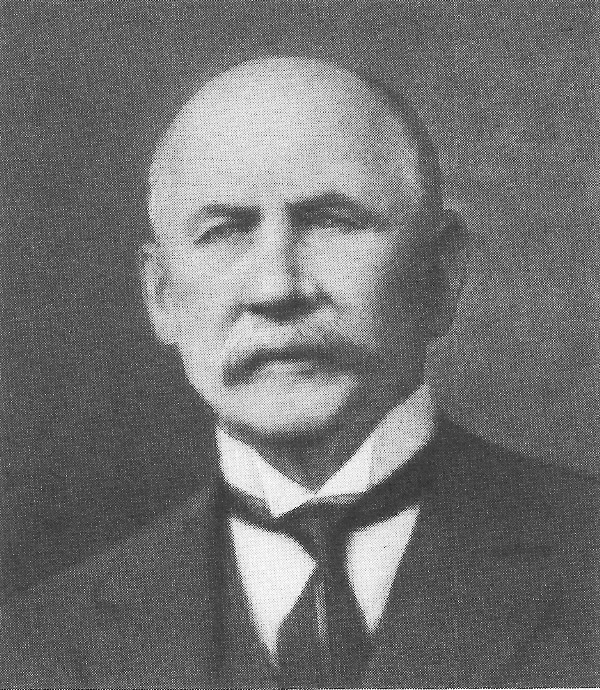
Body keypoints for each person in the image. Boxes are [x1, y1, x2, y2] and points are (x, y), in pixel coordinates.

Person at [1, 56, 597, 689]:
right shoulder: (38, 644)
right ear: (162, 297)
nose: (277, 289)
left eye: (331, 221)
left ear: (440, 276)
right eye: (224, 231)